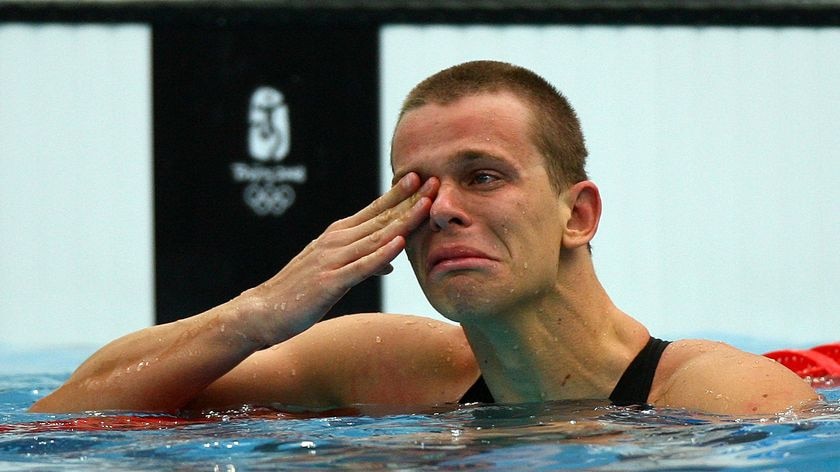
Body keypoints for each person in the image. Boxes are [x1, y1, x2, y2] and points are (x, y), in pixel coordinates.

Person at [30, 60, 818, 415]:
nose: (439, 211)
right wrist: (265, 310)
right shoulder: (384, 368)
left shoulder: (724, 402)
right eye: (416, 187)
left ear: (577, 215)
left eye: (483, 177)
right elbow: (65, 422)